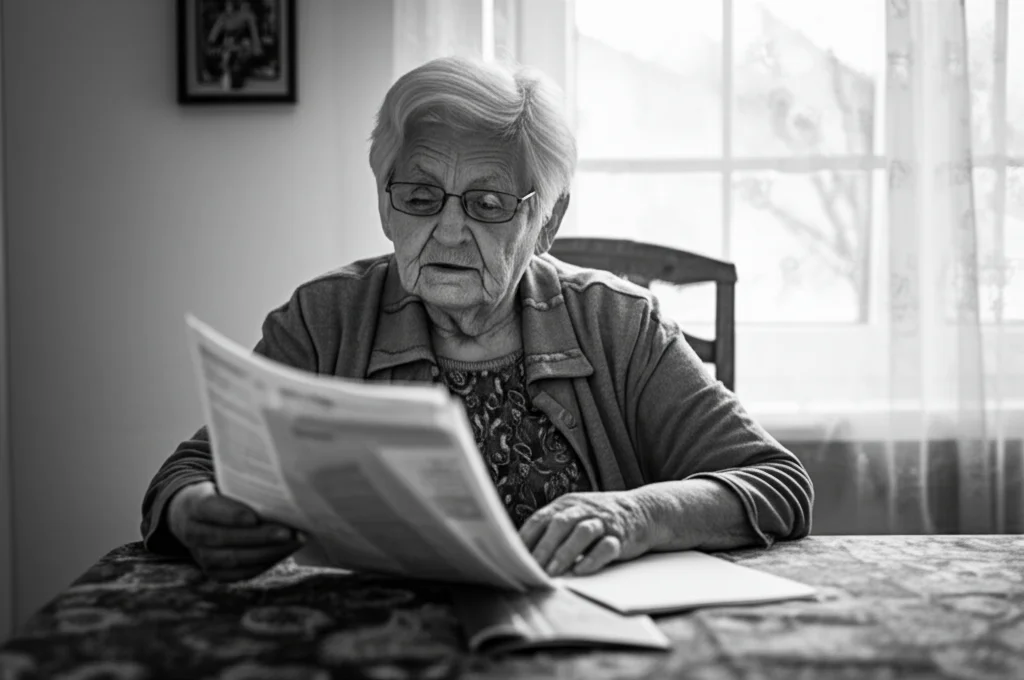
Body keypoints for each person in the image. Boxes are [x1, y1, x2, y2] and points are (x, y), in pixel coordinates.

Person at [141, 56, 813, 583]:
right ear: (385, 203)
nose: (450, 230)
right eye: (420, 196)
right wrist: (196, 512)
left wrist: (636, 514)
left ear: (546, 221)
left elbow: (776, 482)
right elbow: (188, 473)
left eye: (489, 202)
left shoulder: (617, 323)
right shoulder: (324, 320)